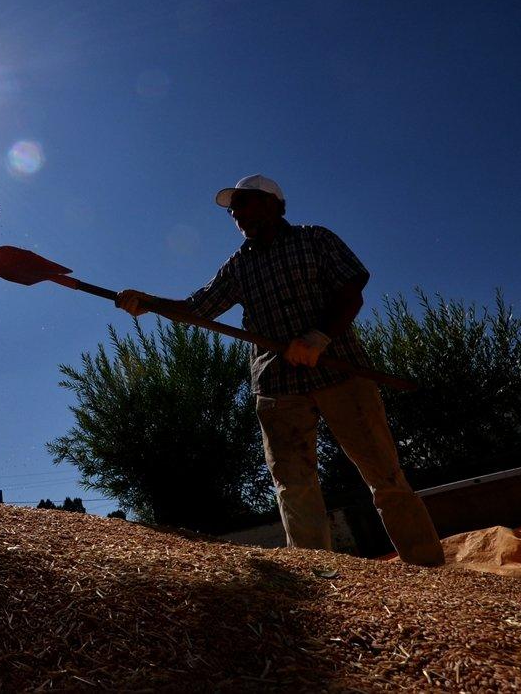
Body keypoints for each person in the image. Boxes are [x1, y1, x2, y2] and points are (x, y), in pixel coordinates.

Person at [115, 174, 443, 566]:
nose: (235, 213)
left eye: (243, 202)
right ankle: (319, 578)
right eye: (233, 208)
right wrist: (148, 302)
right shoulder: (239, 266)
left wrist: (319, 337)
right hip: (277, 387)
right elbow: (198, 309)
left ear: (273, 203)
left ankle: (427, 567)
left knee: (385, 476)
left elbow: (352, 287)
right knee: (293, 487)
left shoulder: (314, 239)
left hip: (342, 375)